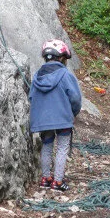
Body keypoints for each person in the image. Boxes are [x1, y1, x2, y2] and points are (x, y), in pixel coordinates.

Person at [28, 39, 82, 191]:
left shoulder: (37, 76)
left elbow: (31, 97)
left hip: (42, 120)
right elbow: (75, 98)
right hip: (63, 118)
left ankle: (45, 179)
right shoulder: (65, 75)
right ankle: (58, 182)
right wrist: (73, 112)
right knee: (62, 147)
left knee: (46, 146)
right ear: (62, 58)